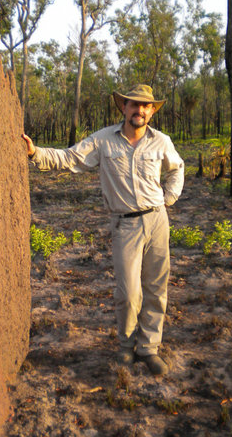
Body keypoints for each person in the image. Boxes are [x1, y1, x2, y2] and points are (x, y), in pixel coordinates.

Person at [22, 84, 185, 376]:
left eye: (146, 106)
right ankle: (126, 346)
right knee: (128, 292)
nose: (140, 110)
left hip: (157, 221)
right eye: (134, 105)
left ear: (151, 111)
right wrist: (35, 153)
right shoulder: (103, 141)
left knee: (156, 289)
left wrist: (169, 198)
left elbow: (177, 168)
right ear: (123, 108)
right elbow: (70, 158)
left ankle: (149, 348)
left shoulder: (161, 141)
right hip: (125, 225)